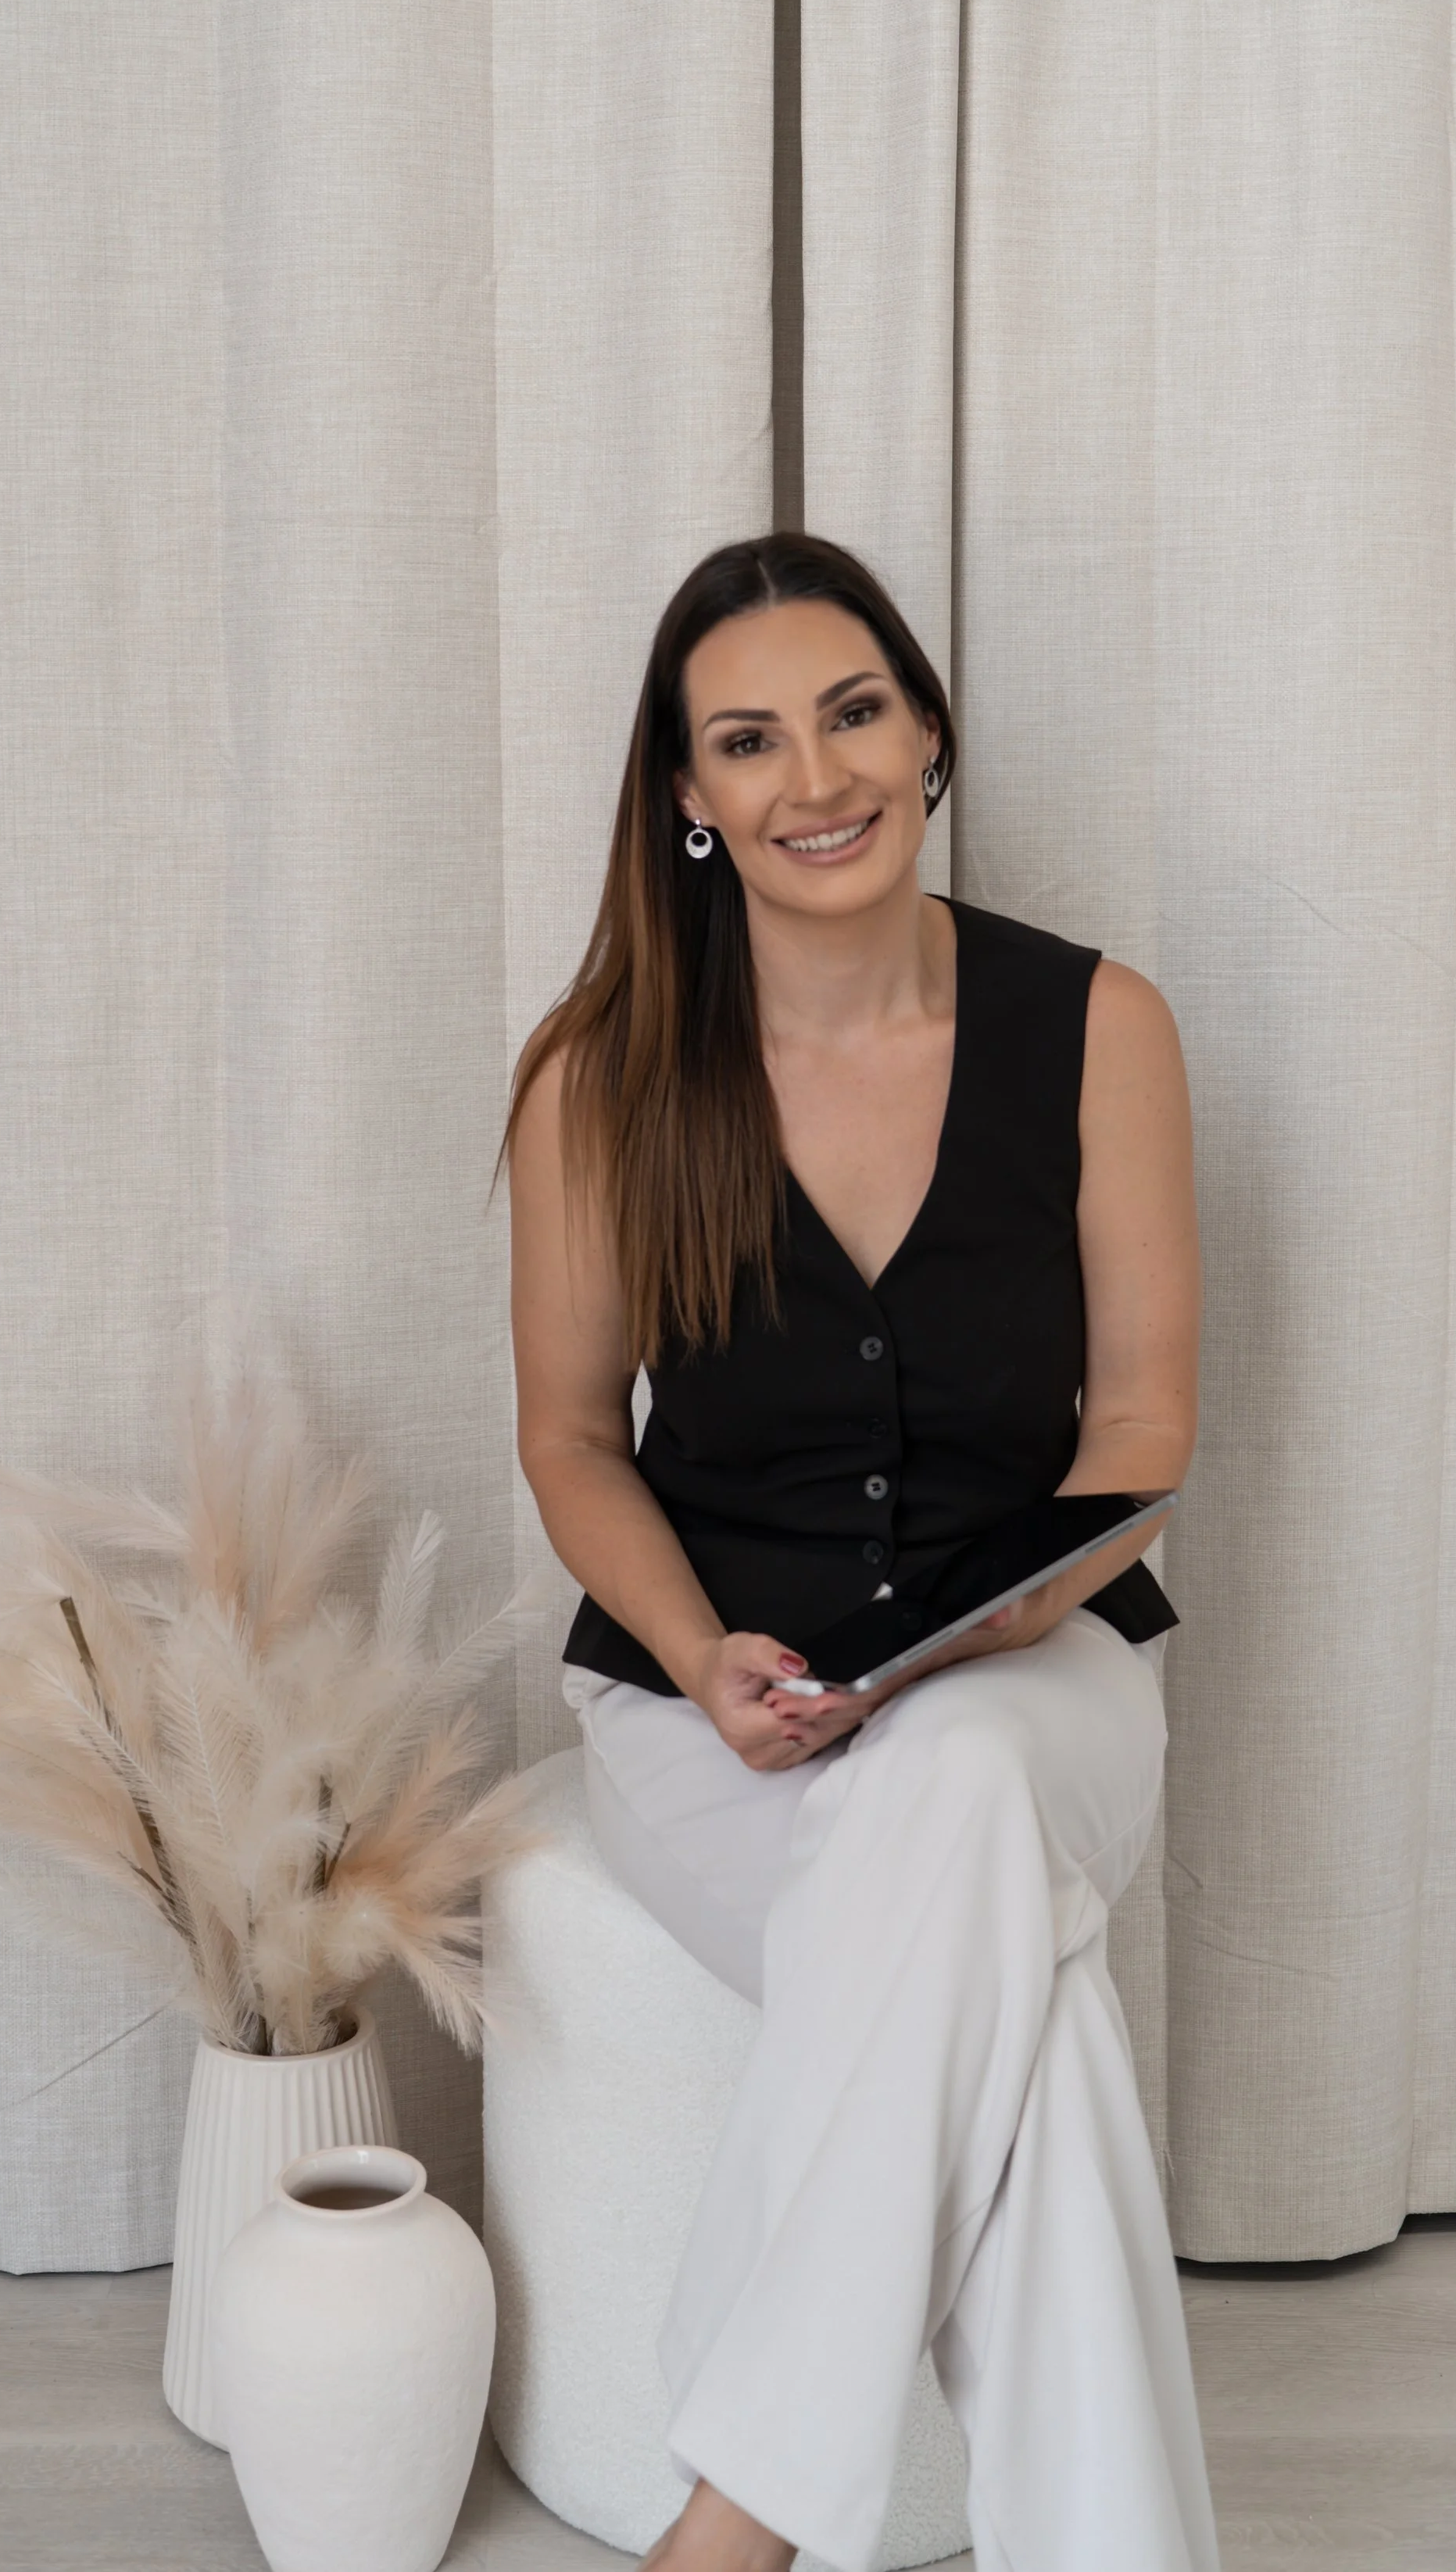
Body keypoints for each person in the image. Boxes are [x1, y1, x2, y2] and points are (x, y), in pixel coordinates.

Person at [502, 533, 1220, 2572]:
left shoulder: (1098, 1026)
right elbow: (571, 1439)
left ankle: (728, 2528)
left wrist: (988, 1626)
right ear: (688, 796)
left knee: (963, 1764)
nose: (814, 776)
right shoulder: (600, 1078)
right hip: (702, 1704)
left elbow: (1141, 1426)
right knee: (1041, 2058)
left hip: (1037, 1671)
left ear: (925, 732)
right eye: (748, 740)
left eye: (851, 712)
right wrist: (697, 1650)